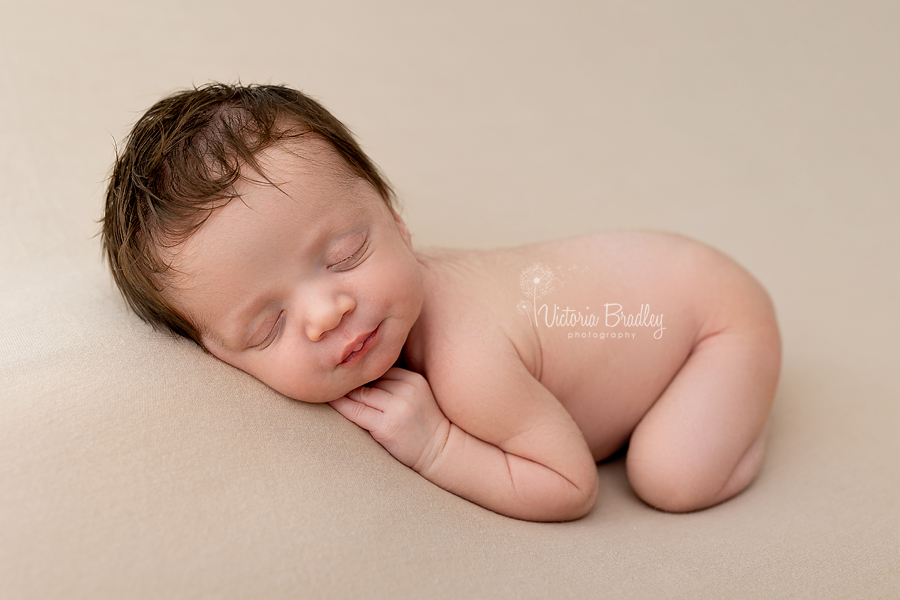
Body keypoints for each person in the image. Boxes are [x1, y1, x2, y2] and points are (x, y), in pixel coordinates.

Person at [102, 83, 781, 522]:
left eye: (345, 256)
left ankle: (741, 424)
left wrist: (438, 445)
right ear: (215, 354)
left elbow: (570, 487)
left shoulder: (468, 358)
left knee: (669, 477)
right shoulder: (380, 290)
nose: (326, 311)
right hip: (642, 280)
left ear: (396, 221)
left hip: (708, 318)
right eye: (269, 324)